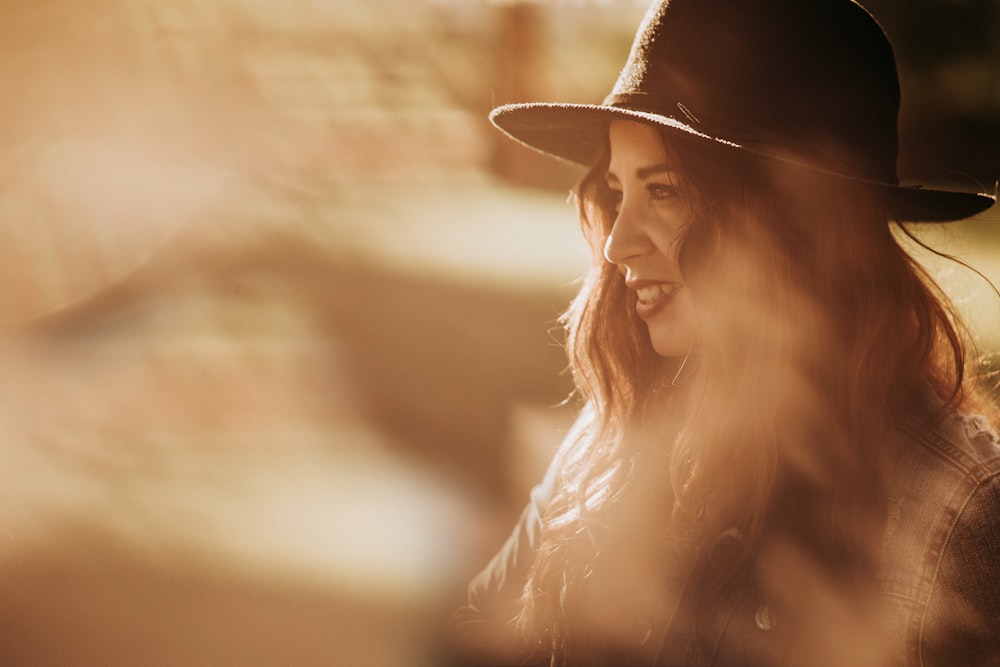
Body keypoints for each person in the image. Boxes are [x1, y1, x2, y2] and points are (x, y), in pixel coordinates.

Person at [448, 0, 1000, 665]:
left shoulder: (956, 507)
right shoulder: (611, 437)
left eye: (667, 191)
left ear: (799, 225)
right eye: (618, 193)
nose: (619, 243)